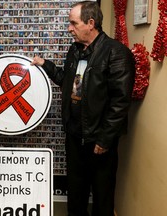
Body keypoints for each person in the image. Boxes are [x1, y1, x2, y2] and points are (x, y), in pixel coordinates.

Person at [31, 1, 135, 216]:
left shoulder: (116, 53)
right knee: (76, 191)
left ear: (90, 23)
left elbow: (120, 102)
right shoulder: (75, 50)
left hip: (98, 140)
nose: (69, 28)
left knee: (102, 193)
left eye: (73, 23)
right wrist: (45, 64)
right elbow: (68, 82)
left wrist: (105, 140)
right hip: (75, 134)